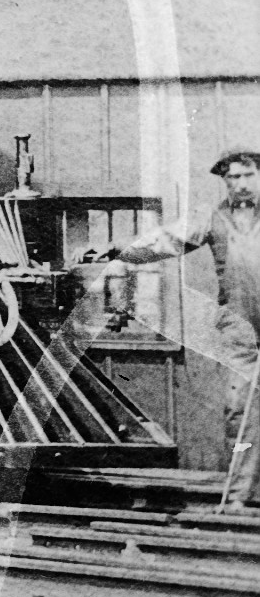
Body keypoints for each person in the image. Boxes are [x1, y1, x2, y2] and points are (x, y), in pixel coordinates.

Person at [88, 150, 260, 507]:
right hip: (242, 336)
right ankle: (239, 499)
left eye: (248, 175)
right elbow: (165, 240)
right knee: (240, 412)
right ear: (225, 181)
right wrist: (117, 249)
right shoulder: (212, 217)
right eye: (233, 177)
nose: (241, 184)